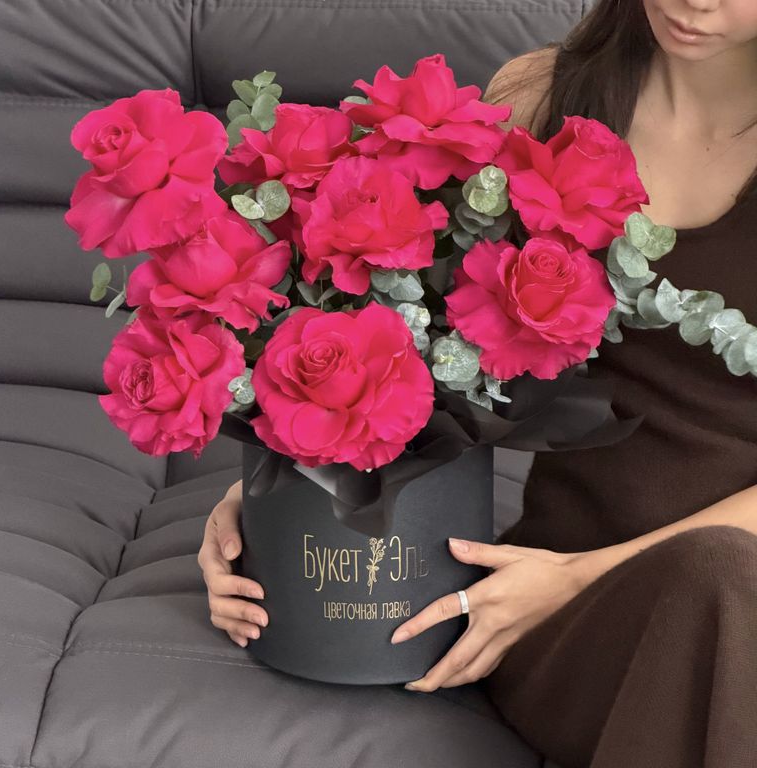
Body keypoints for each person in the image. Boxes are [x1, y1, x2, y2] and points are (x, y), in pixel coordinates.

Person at [197, 1, 757, 765]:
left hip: (628, 584)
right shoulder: (539, 98)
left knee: (720, 575)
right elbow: (414, 344)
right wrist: (281, 498)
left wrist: (573, 578)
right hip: (562, 618)